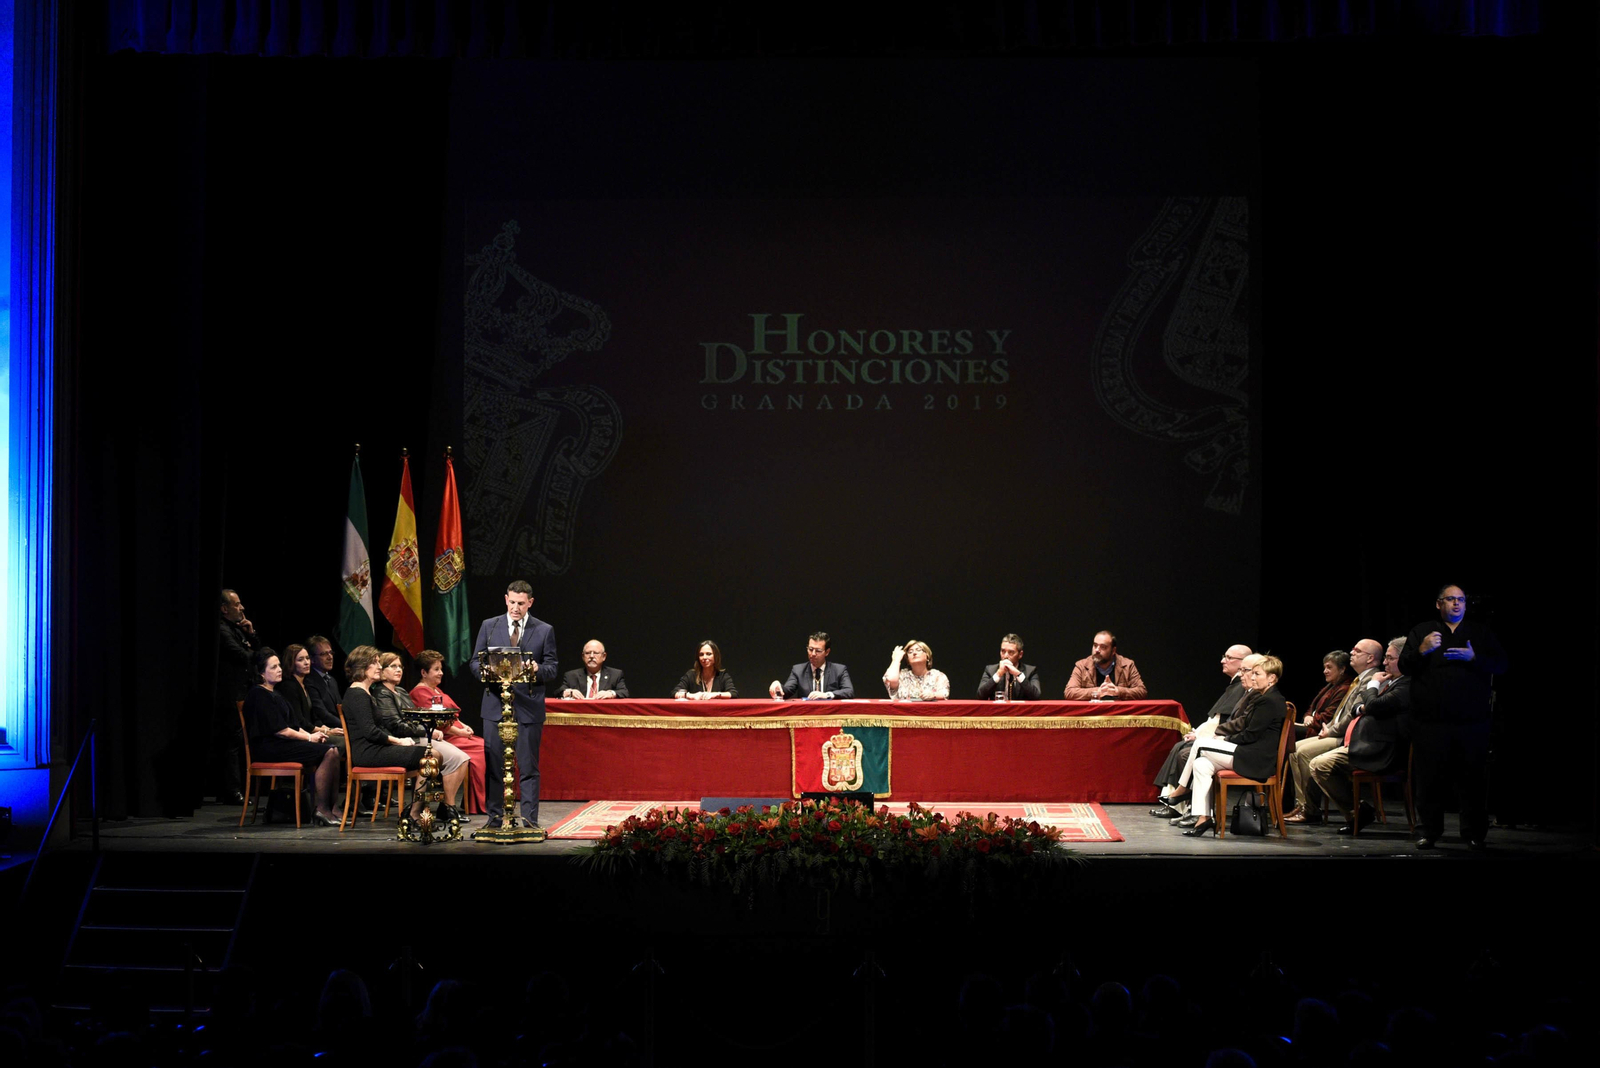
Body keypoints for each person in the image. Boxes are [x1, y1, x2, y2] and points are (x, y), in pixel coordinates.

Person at [1399, 584, 1508, 851]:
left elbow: (1502, 665)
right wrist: (1421, 650)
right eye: (1450, 599)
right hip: (1429, 722)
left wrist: (1475, 658)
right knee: (1429, 780)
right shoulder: (1422, 630)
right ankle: (1428, 832)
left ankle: (1473, 834)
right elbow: (1403, 666)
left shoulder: (1479, 632)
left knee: (1472, 780)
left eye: (1461, 600)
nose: (1457, 604)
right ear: (1439, 604)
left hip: (1471, 722)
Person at [468, 579, 559, 839]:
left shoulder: (544, 630)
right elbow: (475, 662)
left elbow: (552, 667)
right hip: (495, 706)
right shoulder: (490, 625)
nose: (515, 608)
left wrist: (537, 670)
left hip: (528, 708)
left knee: (528, 766)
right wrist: (484, 672)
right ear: (505, 599)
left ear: (530, 602)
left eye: (521, 603)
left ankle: (529, 821)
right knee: (495, 764)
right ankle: (495, 819)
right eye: (512, 602)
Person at [1310, 637, 1412, 833]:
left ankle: (1357, 812)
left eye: (1389, 658)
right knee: (1317, 763)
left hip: (1380, 751)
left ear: (1404, 659)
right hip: (1367, 745)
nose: (1384, 662)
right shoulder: (1391, 682)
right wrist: (1366, 705)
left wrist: (1372, 686)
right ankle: (1357, 812)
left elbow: (1372, 705)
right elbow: (1360, 707)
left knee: (1319, 764)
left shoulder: (1405, 686)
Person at [1179, 654, 1289, 837]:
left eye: (1257, 674)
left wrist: (1225, 740)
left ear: (1272, 678)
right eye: (1251, 673)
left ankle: (1182, 789)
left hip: (1256, 759)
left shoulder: (1269, 701)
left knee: (1200, 744)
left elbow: (1251, 734)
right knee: (1201, 764)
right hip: (1248, 752)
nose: (1252, 678)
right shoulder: (1262, 697)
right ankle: (1203, 818)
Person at [1285, 639, 1383, 825]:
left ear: (1370, 658)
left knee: (1304, 752)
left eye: (1357, 651)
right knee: (1294, 749)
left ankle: (1311, 810)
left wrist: (1330, 731)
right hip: (1335, 731)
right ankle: (1302, 805)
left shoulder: (1372, 679)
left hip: (1349, 737)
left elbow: (1353, 715)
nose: (1352, 653)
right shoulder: (1358, 679)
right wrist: (1329, 727)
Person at [240, 646, 341, 825]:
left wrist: (316, 737)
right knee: (328, 752)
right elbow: (281, 731)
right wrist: (310, 738)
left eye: (279, 665)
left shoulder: (276, 693)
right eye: (273, 667)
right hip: (269, 747)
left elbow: (294, 725)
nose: (279, 669)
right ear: (262, 673)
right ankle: (321, 809)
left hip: (282, 744)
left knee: (332, 750)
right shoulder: (259, 694)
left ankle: (331, 807)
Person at [1151, 645, 1252, 815]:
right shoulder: (1239, 687)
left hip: (1241, 750)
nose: (1223, 661)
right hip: (1226, 740)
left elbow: (1231, 724)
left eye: (1228, 658)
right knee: (1181, 747)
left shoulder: (1254, 694)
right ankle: (1180, 805)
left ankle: (1189, 807)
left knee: (1186, 752)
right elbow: (1221, 719)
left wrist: (1201, 736)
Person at [372, 651, 471, 820]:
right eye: (393, 666)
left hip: (417, 737)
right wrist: (427, 731)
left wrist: (430, 728)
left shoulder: (401, 692)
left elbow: (416, 717)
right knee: (450, 756)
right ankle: (419, 810)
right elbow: (395, 726)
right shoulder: (382, 693)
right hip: (402, 741)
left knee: (461, 758)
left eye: (400, 666)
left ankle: (447, 806)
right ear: (382, 670)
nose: (399, 670)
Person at [340, 644, 428, 822]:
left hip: (376, 748)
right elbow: (370, 732)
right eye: (375, 663)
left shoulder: (365, 692)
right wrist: (398, 741)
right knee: (430, 756)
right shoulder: (357, 694)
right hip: (368, 753)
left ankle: (416, 809)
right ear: (362, 666)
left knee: (431, 755)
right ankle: (415, 813)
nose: (380, 667)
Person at [410, 649, 488, 815]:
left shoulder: (437, 691)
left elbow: (453, 717)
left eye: (441, 669)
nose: (441, 673)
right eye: (436, 669)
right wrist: (461, 733)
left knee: (489, 746)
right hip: (445, 738)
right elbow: (437, 722)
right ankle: (455, 806)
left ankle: (485, 801)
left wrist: (465, 727)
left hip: (458, 735)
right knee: (483, 749)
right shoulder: (419, 692)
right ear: (424, 672)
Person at [213, 588, 258, 804]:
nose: (242, 608)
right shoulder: (222, 630)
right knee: (232, 742)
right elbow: (242, 656)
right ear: (224, 609)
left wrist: (251, 635)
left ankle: (241, 787)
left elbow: (258, 655)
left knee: (241, 742)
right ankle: (231, 790)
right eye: (237, 604)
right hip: (230, 695)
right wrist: (250, 651)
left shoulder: (238, 630)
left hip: (244, 693)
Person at [279, 644, 344, 738]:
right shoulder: (289, 686)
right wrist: (326, 731)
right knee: (340, 743)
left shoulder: (305, 684)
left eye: (307, 658)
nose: (306, 663)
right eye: (300, 660)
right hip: (301, 735)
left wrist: (324, 727)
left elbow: (314, 716)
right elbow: (300, 721)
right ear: (291, 663)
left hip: (312, 731)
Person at [1063, 631, 1148, 700]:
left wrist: (1118, 691)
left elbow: (1142, 691)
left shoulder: (1127, 665)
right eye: (1095, 645)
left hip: (1118, 716)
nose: (1097, 650)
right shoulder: (1081, 666)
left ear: (1113, 650)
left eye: (1103, 647)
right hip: (1093, 716)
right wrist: (1098, 692)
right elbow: (1069, 692)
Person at [769, 632, 854, 700]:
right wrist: (778, 686)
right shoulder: (798, 670)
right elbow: (786, 692)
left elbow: (849, 691)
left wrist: (827, 695)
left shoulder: (839, 670)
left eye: (818, 651)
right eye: (810, 649)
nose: (813, 654)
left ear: (827, 652)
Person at [1297, 650, 1354, 739]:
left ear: (1342, 669)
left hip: (1320, 730)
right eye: (1324, 667)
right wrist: (1307, 716)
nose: (1325, 671)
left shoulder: (1344, 689)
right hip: (1312, 725)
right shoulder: (1331, 686)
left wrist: (1312, 720)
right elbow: (1312, 707)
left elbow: (1328, 716)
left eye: (1329, 667)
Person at [976, 634, 1042, 700]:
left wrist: (1018, 674)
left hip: (1020, 710)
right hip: (998, 709)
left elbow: (1036, 696)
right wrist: (998, 674)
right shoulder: (990, 670)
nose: (1005, 656)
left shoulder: (1030, 671)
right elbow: (980, 695)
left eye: (1011, 652)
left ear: (1020, 654)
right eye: (1003, 651)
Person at [883, 640, 951, 701]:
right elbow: (891, 679)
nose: (914, 653)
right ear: (908, 660)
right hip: (904, 713)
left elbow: (945, 693)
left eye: (918, 650)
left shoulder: (938, 676)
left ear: (927, 656)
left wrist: (933, 695)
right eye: (910, 652)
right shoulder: (902, 675)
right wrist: (896, 660)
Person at [561, 640, 630, 699]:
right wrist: (569, 692)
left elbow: (624, 692)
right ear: (583, 656)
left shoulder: (615, 674)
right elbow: (559, 692)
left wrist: (610, 693)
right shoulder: (571, 675)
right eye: (587, 653)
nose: (591, 656)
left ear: (604, 656)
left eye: (596, 653)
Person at [304, 635, 345, 730]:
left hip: (339, 727)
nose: (330, 657)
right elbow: (322, 713)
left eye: (331, 653)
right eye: (323, 654)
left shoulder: (332, 680)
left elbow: (340, 708)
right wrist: (346, 725)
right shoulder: (309, 681)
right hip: (324, 730)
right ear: (312, 659)